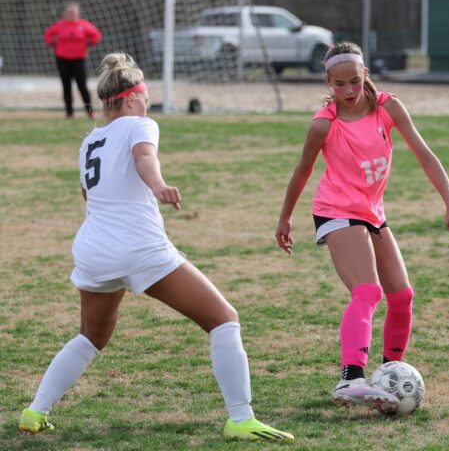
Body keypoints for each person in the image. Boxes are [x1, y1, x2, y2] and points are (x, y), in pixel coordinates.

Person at [18, 52, 294, 443]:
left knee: (90, 337)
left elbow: (89, 195)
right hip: (137, 246)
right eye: (145, 98)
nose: (147, 105)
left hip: (93, 248)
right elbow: (144, 157)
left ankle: (35, 411)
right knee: (224, 319)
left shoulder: (90, 140)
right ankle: (241, 418)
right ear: (132, 98)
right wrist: (158, 185)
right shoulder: (141, 124)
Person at [275, 42, 449, 413]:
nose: (349, 90)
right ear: (328, 82)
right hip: (336, 210)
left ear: (365, 74)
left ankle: (387, 379)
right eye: (339, 84)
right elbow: (302, 171)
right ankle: (350, 379)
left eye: (355, 80)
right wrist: (286, 216)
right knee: (368, 291)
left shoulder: (388, 108)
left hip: (371, 212)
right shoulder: (324, 124)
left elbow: (425, 155)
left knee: (402, 296)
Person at [43, 2, 101, 118]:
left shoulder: (84, 25)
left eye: (74, 12)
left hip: (79, 60)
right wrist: (52, 43)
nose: (71, 14)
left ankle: (90, 111)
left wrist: (89, 43)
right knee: (66, 86)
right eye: (69, 12)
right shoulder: (60, 25)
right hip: (62, 60)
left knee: (82, 86)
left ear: (78, 13)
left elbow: (96, 35)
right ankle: (69, 112)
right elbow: (48, 34)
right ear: (65, 13)